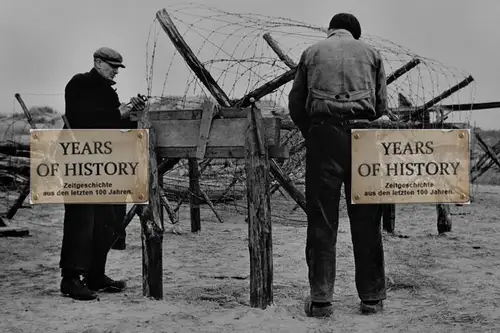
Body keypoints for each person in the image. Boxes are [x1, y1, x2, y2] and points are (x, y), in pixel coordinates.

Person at [288, 13, 389, 317]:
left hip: (324, 137)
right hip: (364, 139)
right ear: (355, 33)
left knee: (322, 219)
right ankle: (371, 298)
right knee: (368, 218)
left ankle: (321, 300)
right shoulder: (372, 54)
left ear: (330, 31)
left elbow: (296, 103)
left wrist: (314, 132)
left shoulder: (311, 52)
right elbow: (382, 105)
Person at [59, 47, 145, 300]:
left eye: (118, 67)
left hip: (103, 162)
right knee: (81, 219)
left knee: (107, 218)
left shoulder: (108, 92)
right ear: (97, 62)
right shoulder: (79, 83)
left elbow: (114, 126)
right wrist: (120, 112)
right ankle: (71, 279)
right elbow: (84, 121)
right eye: (112, 66)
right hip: (79, 162)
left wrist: (133, 113)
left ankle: (96, 275)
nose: (116, 71)